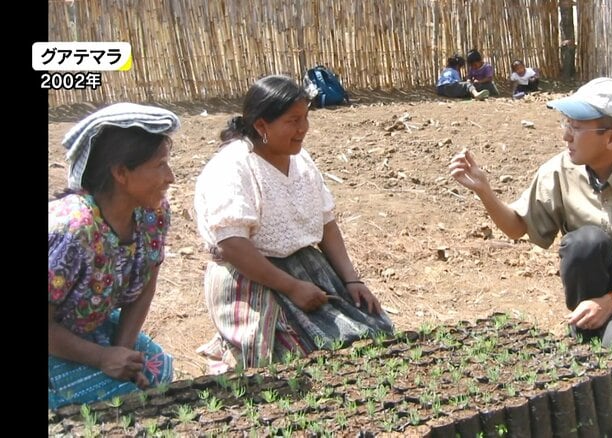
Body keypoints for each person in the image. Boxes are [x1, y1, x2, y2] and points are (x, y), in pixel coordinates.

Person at [449, 77, 612, 371]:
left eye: (576, 128)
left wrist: (611, 301)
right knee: (585, 242)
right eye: (566, 125)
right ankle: (603, 327)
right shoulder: (560, 170)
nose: (566, 136)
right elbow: (517, 228)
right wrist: (485, 192)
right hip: (594, 283)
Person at [194, 75, 394, 372]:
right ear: (262, 126)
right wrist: (291, 287)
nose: (303, 129)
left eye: (305, 118)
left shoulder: (301, 161)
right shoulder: (232, 166)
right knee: (304, 359)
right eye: (293, 121)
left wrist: (352, 280)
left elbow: (327, 223)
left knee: (374, 333)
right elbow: (233, 245)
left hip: (310, 269)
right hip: (254, 276)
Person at [49, 103, 179, 409]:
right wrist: (102, 358)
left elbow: (146, 284)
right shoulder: (72, 232)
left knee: (157, 370)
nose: (170, 177)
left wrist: (122, 354)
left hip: (90, 328)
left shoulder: (153, 215)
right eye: (160, 165)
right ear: (121, 172)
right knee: (106, 400)